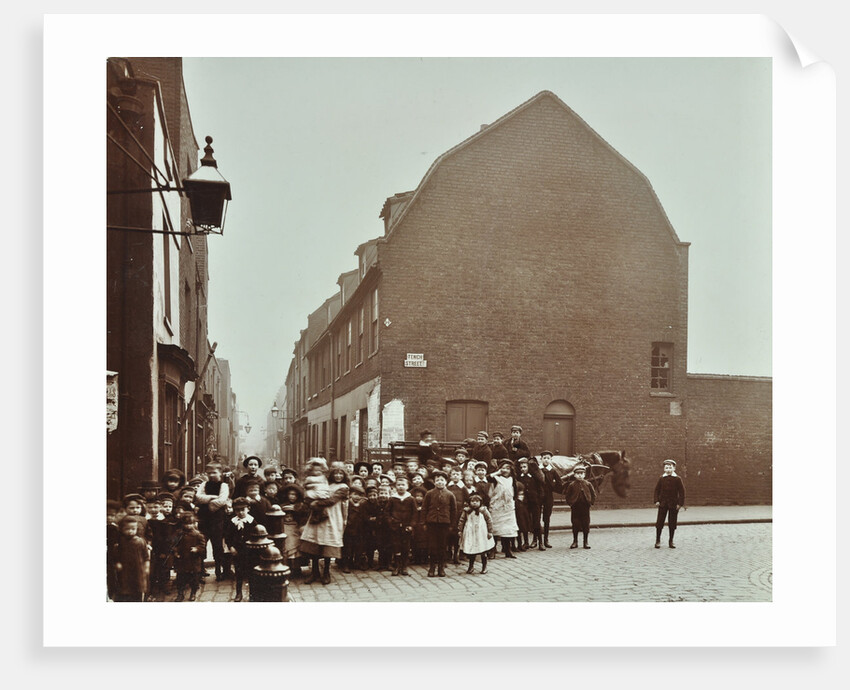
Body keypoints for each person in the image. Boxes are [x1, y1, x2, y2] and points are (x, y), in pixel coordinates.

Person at [299, 458, 349, 585]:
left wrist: (315, 502)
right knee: (315, 543)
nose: (338, 476)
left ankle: (326, 571)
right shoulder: (325, 483)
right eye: (335, 473)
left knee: (327, 543)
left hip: (332, 517)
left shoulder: (344, 487)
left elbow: (331, 500)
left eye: (341, 473)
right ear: (331, 473)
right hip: (318, 516)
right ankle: (314, 571)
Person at [195, 462, 230, 581]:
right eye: (209, 473)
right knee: (202, 543)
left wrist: (209, 505)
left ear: (220, 473)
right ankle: (200, 570)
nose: (211, 475)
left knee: (217, 545)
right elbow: (198, 497)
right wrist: (212, 498)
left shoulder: (224, 485)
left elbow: (222, 500)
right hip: (204, 519)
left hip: (218, 519)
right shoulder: (203, 484)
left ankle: (218, 570)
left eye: (214, 472)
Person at [421, 469, 457, 577]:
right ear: (434, 482)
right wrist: (424, 522)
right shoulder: (429, 493)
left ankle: (441, 567)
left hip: (444, 524)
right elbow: (424, 508)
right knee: (432, 546)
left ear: (446, 481)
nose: (439, 482)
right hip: (432, 523)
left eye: (442, 480)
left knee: (442, 546)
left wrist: (452, 525)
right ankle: (432, 567)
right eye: (437, 480)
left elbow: (454, 511)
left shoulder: (450, 495)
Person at [224, 497, 256, 602]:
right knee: (239, 573)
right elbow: (228, 536)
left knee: (251, 573)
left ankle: (252, 593)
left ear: (248, 509)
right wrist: (231, 547)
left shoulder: (252, 522)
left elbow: (256, 537)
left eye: (243, 509)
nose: (241, 512)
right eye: (237, 510)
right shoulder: (232, 522)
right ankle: (238, 592)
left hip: (250, 552)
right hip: (237, 551)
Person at [111, 516, 150, 602]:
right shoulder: (120, 542)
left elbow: (146, 556)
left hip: (138, 569)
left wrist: (146, 567)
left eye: (133, 529)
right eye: (127, 529)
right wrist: (117, 563)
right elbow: (116, 555)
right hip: (125, 570)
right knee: (125, 587)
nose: (130, 531)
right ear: (121, 529)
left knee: (138, 588)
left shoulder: (140, 541)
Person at [172, 512, 206, 601]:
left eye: (190, 524)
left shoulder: (198, 535)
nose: (188, 526)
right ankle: (180, 593)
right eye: (186, 524)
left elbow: (202, 545)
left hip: (193, 561)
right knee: (180, 579)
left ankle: (193, 593)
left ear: (194, 524)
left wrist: (197, 549)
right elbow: (174, 544)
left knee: (194, 579)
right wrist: (176, 552)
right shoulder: (179, 534)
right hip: (182, 561)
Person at [488, 460, 519, 558]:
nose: (505, 470)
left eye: (508, 468)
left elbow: (515, 491)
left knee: (507, 529)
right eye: (503, 468)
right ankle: (493, 550)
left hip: (508, 507)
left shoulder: (512, 479)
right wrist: (497, 473)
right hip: (497, 506)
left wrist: (513, 501)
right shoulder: (496, 478)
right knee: (495, 528)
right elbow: (487, 478)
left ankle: (507, 550)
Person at [458, 493, 495, 574]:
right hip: (470, 532)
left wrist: (490, 531)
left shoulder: (483, 510)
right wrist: (460, 530)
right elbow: (462, 520)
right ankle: (471, 566)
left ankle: (484, 567)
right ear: (469, 502)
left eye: (477, 501)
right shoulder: (467, 511)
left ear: (480, 502)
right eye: (472, 501)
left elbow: (489, 520)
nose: (474, 503)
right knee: (472, 550)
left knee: (483, 550)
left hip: (481, 533)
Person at [387, 475, 416, 576]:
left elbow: (414, 513)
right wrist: (391, 522)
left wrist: (411, 525)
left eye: (403, 485)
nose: (400, 487)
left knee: (406, 546)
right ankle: (396, 565)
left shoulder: (411, 499)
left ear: (407, 486)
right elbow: (387, 513)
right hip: (395, 527)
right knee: (396, 546)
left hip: (406, 527)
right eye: (398, 485)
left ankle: (404, 566)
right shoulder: (392, 499)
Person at [654, 459, 685, 548]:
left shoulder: (677, 479)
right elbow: (656, 490)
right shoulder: (661, 478)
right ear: (664, 469)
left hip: (673, 505)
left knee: (672, 523)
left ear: (674, 468)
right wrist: (656, 500)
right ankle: (657, 540)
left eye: (670, 467)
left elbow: (682, 492)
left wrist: (680, 504)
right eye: (666, 468)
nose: (668, 469)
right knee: (660, 522)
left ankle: (671, 541)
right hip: (663, 504)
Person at [564, 465, 597, 549]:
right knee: (575, 524)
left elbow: (593, 494)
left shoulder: (588, 484)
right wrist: (571, 503)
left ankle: (585, 542)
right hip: (575, 507)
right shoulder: (572, 485)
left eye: (581, 473)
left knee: (586, 524)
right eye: (577, 473)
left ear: (584, 475)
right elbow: (567, 496)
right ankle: (575, 541)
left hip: (585, 507)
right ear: (574, 475)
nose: (579, 475)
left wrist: (590, 503)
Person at [517, 457, 546, 551]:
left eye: (524, 467)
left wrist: (539, 500)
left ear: (528, 467)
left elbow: (541, 488)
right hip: (525, 503)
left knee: (536, 522)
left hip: (535, 502)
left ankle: (540, 542)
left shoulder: (534, 477)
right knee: (525, 521)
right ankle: (526, 542)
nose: (523, 469)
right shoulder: (520, 477)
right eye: (521, 467)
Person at [279, 484, 308, 576]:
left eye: (295, 495)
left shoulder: (301, 506)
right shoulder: (283, 505)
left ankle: (297, 567)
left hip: (296, 527)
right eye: (290, 494)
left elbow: (304, 517)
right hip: (285, 527)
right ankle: (288, 566)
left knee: (297, 541)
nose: (292, 497)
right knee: (288, 540)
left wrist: (296, 509)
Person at [445, 467, 468, 564]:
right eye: (453, 474)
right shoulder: (447, 487)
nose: (455, 476)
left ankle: (456, 555)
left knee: (457, 535)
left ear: (461, 476)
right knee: (448, 534)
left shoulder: (463, 488)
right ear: (450, 476)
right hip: (448, 514)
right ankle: (448, 553)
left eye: (457, 474)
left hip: (459, 514)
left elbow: (467, 499)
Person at [539, 451, 559, 548]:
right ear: (541, 459)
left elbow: (560, 483)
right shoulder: (537, 470)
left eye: (548, 458)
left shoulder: (553, 471)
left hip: (548, 497)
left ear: (551, 460)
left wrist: (553, 484)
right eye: (544, 458)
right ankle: (536, 539)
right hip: (538, 496)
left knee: (547, 518)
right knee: (536, 518)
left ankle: (546, 539)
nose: (546, 460)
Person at [410, 485, 429, 565]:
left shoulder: (426, 506)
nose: (418, 498)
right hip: (415, 526)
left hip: (423, 526)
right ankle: (416, 558)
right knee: (415, 542)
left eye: (421, 496)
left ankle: (424, 557)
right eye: (417, 496)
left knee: (424, 543)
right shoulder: (412, 505)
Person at [514, 481, 531, 551]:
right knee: (518, 528)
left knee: (524, 527)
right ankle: (520, 543)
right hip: (517, 512)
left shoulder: (519, 484)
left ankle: (525, 542)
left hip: (522, 512)